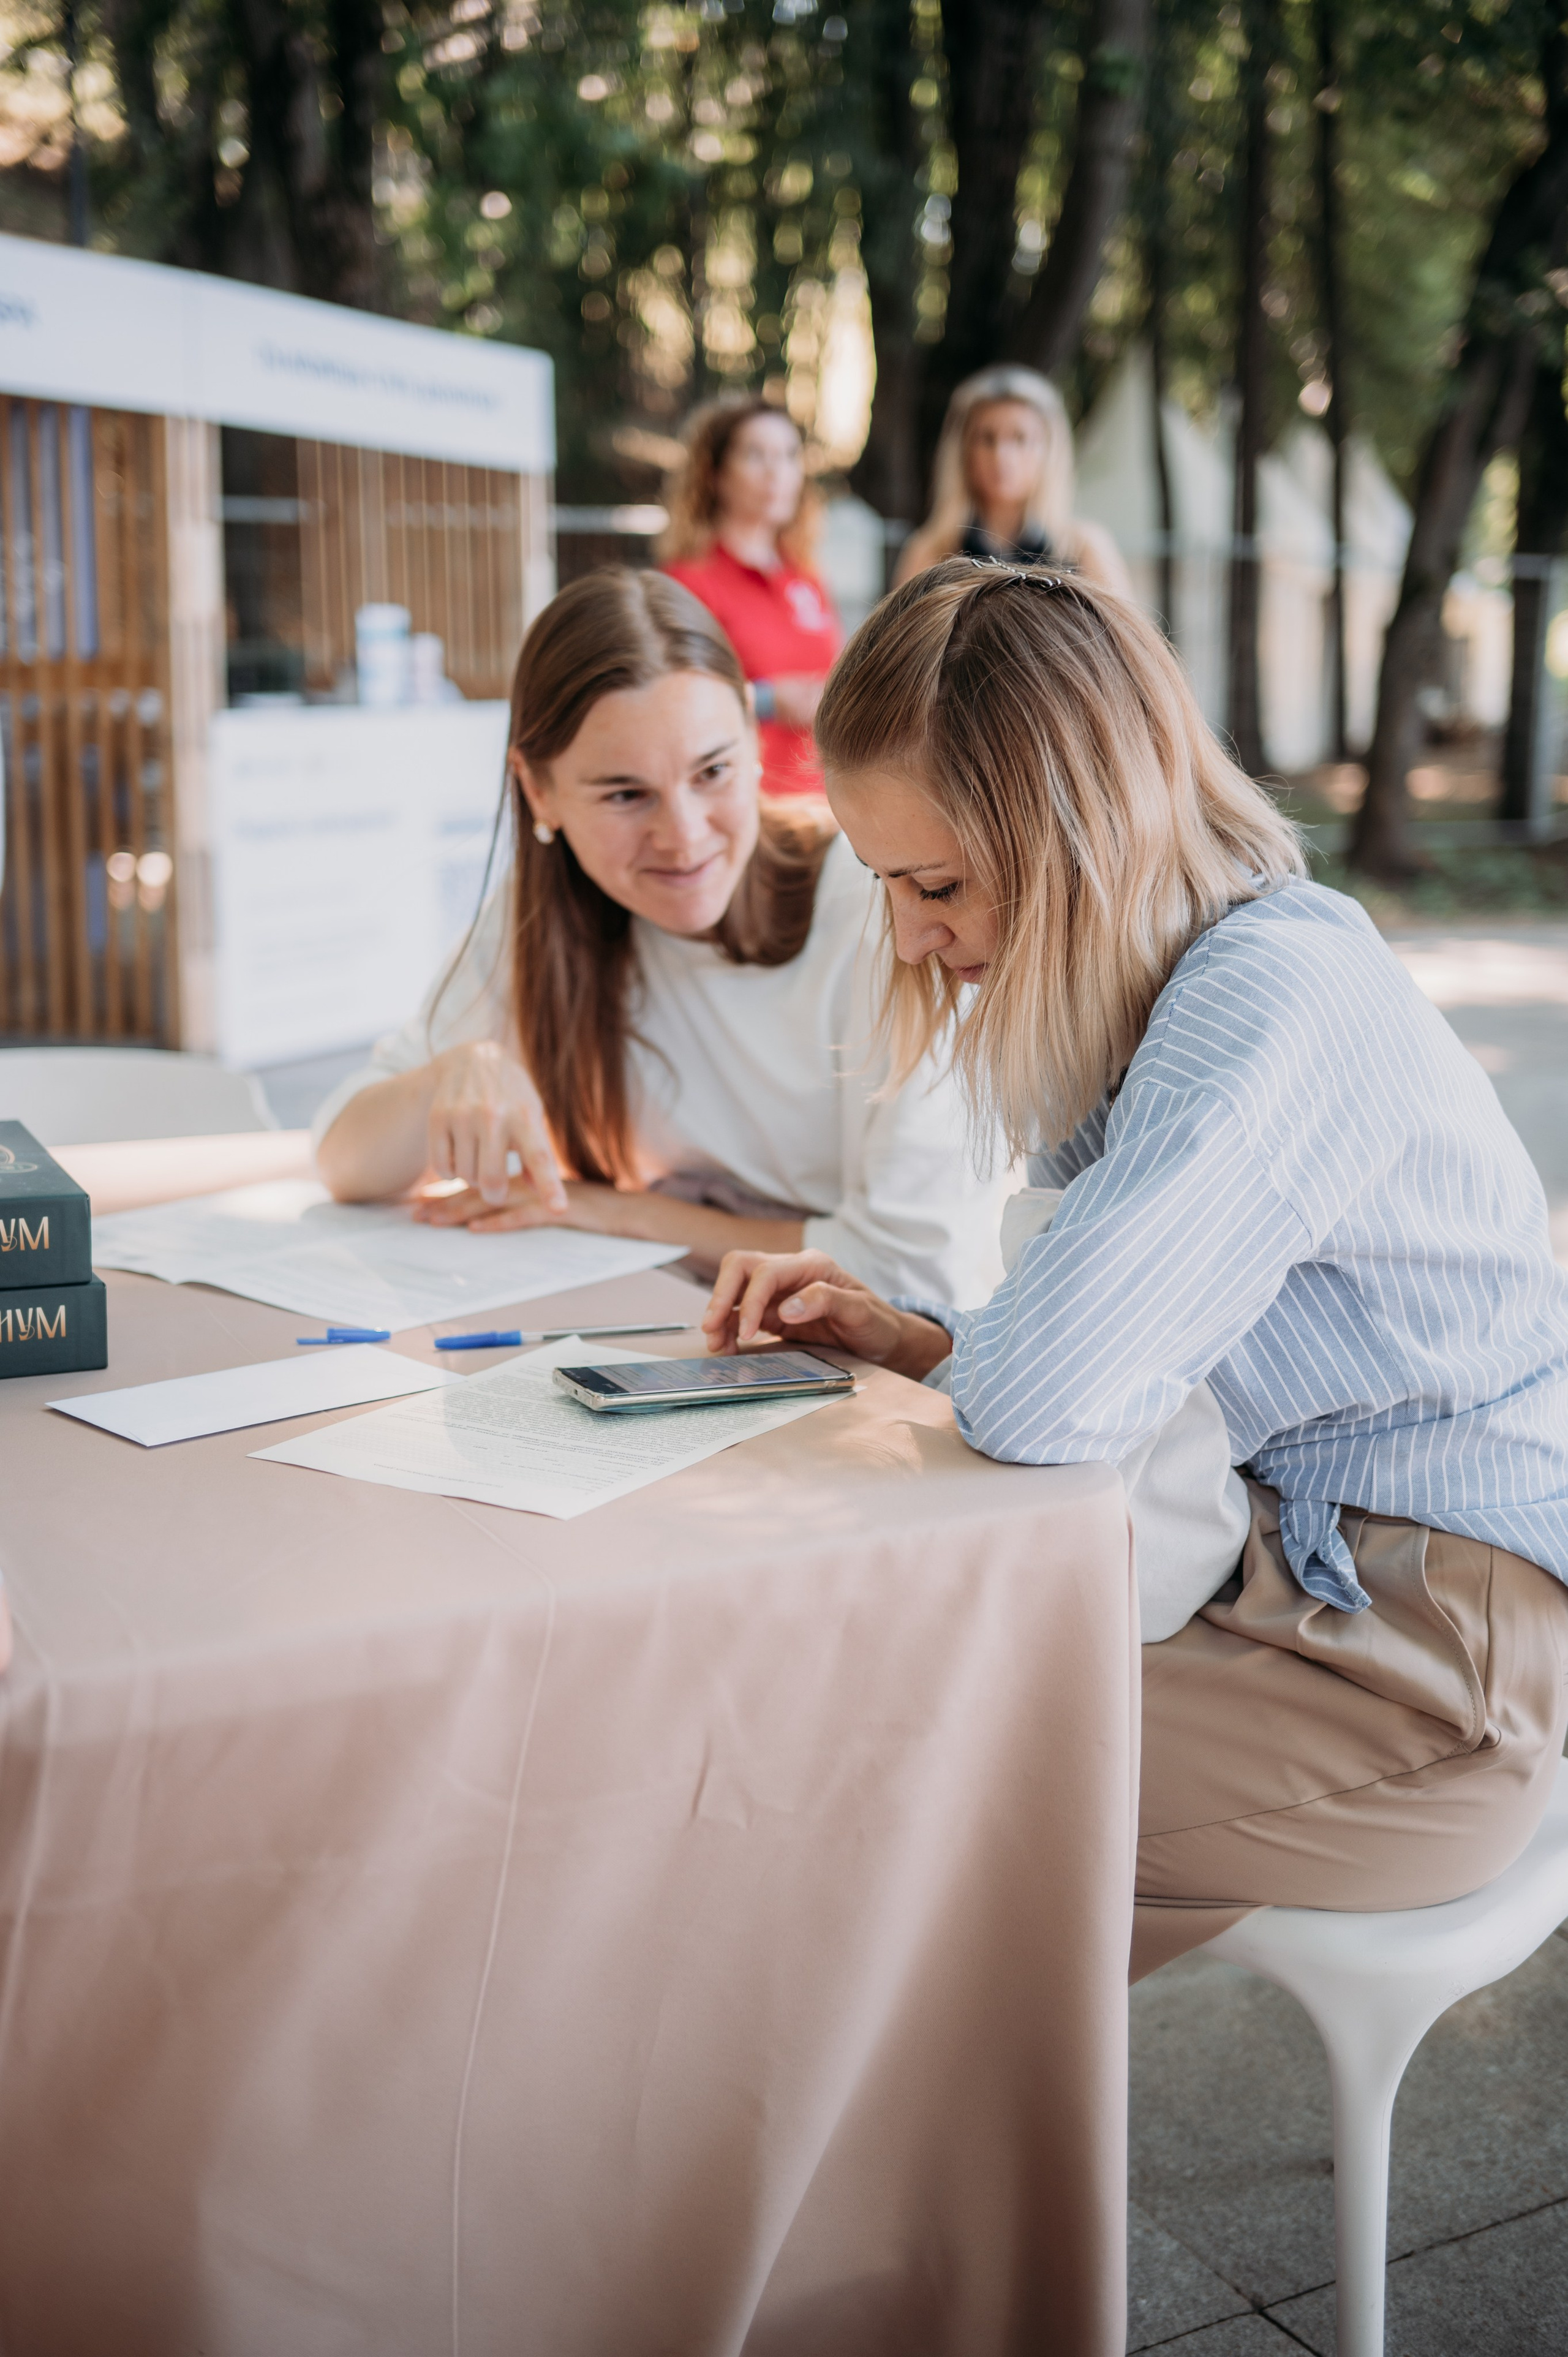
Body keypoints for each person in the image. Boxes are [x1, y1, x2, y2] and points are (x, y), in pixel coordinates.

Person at [703, 556, 1568, 1982]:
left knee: (817, 1769)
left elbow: (1047, 1400)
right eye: (887, 884)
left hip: (1428, 1670)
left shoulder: (1265, 1005)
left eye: (934, 883)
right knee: (827, 1739)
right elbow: (1084, 1373)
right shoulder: (1186, 978)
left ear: (1074, 837)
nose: (913, 936)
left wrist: (972, 1359)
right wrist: (922, 1340)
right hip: (1312, 1586)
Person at [312, 568, 1004, 1306]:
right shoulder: (544, 914)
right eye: (625, 794)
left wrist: (601, 1207)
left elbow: (907, 1272)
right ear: (538, 789)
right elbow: (343, 1159)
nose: (682, 837)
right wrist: (448, 1076)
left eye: (711, 771)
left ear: (751, 730)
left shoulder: (888, 908)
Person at [658, 397, 841, 799]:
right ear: (715, 475)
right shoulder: (687, 583)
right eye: (756, 455)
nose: (777, 472)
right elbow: (668, 697)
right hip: (745, 807)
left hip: (824, 804)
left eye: (790, 456)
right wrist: (767, 700)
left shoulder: (806, 577)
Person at [896, 364, 1131, 595]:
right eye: (987, 439)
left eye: (1021, 439)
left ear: (1050, 450)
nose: (1002, 457)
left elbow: (1121, 633)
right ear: (963, 450)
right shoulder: (930, 552)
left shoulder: (1084, 549)